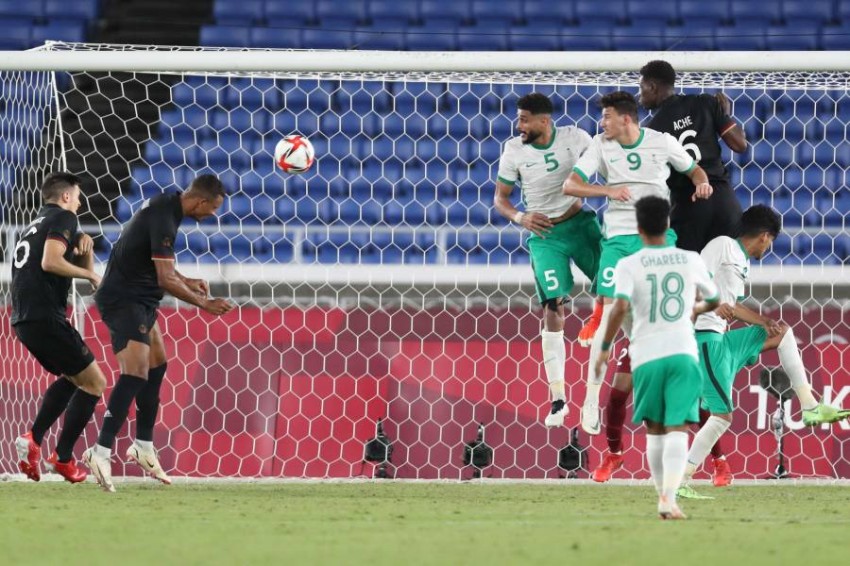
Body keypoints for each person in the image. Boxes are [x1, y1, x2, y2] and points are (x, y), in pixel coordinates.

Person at [590, 60, 750, 485]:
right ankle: (616, 455)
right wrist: (725, 110)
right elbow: (740, 144)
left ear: (653, 87)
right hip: (723, 198)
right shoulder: (706, 103)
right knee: (631, 390)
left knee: (677, 393)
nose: (640, 93)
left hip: (690, 215)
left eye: (643, 87)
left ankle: (715, 461)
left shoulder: (655, 131)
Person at [563, 91, 714, 439]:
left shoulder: (662, 142)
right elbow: (571, 185)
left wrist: (702, 183)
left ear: (626, 118)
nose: (602, 124)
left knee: (668, 319)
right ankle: (589, 402)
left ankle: (679, 394)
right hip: (618, 243)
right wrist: (608, 191)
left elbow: (694, 170)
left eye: (606, 117)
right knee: (609, 315)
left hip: (660, 240)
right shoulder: (601, 146)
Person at [677, 205, 850, 499]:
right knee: (721, 417)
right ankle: (680, 481)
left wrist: (765, 321)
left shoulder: (743, 262)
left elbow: (735, 307)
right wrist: (713, 301)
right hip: (705, 339)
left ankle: (809, 406)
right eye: (770, 241)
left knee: (782, 332)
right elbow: (695, 280)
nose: (768, 247)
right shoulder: (722, 246)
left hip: (725, 339)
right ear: (765, 236)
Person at [82, 174, 234, 492]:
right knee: (136, 372)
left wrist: (187, 279)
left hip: (141, 297)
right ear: (201, 201)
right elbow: (164, 278)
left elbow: (158, 263)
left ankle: (143, 446)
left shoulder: (167, 206)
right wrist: (204, 303)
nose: (212, 216)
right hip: (124, 298)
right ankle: (100, 451)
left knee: (157, 364)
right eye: (213, 208)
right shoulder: (165, 216)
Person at [594, 196, 720, 519]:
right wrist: (696, 309)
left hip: (645, 354)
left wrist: (605, 348)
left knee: (655, 429)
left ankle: (661, 495)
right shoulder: (689, 259)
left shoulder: (628, 265)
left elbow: (619, 307)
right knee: (678, 427)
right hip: (682, 351)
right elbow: (716, 298)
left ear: (638, 228)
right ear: (668, 224)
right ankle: (669, 499)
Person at [494, 92, 601, 428]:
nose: (519, 125)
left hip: (581, 225)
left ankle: (593, 400)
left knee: (615, 296)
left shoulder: (576, 138)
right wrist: (519, 217)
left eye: (525, 119)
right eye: (519, 118)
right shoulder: (513, 150)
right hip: (544, 236)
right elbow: (501, 198)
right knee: (553, 308)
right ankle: (558, 399)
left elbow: (605, 162)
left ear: (544, 120)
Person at [11, 172, 107, 483]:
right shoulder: (65, 217)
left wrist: (87, 253)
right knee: (95, 382)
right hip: (46, 317)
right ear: (65, 197)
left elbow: (56, 261)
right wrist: (93, 276)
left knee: (74, 376)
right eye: (77, 196)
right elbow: (50, 263)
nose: (79, 202)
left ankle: (35, 440)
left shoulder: (34, 224)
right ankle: (61, 457)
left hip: (23, 319)